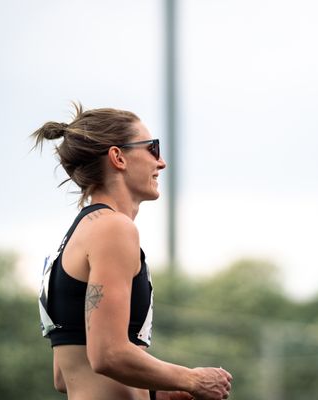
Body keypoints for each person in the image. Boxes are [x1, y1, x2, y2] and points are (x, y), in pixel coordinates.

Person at [31, 103, 232, 400]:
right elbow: (108, 354)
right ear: (118, 157)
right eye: (152, 148)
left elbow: (66, 376)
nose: (161, 162)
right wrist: (191, 379)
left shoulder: (80, 233)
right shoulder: (114, 229)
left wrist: (158, 393)